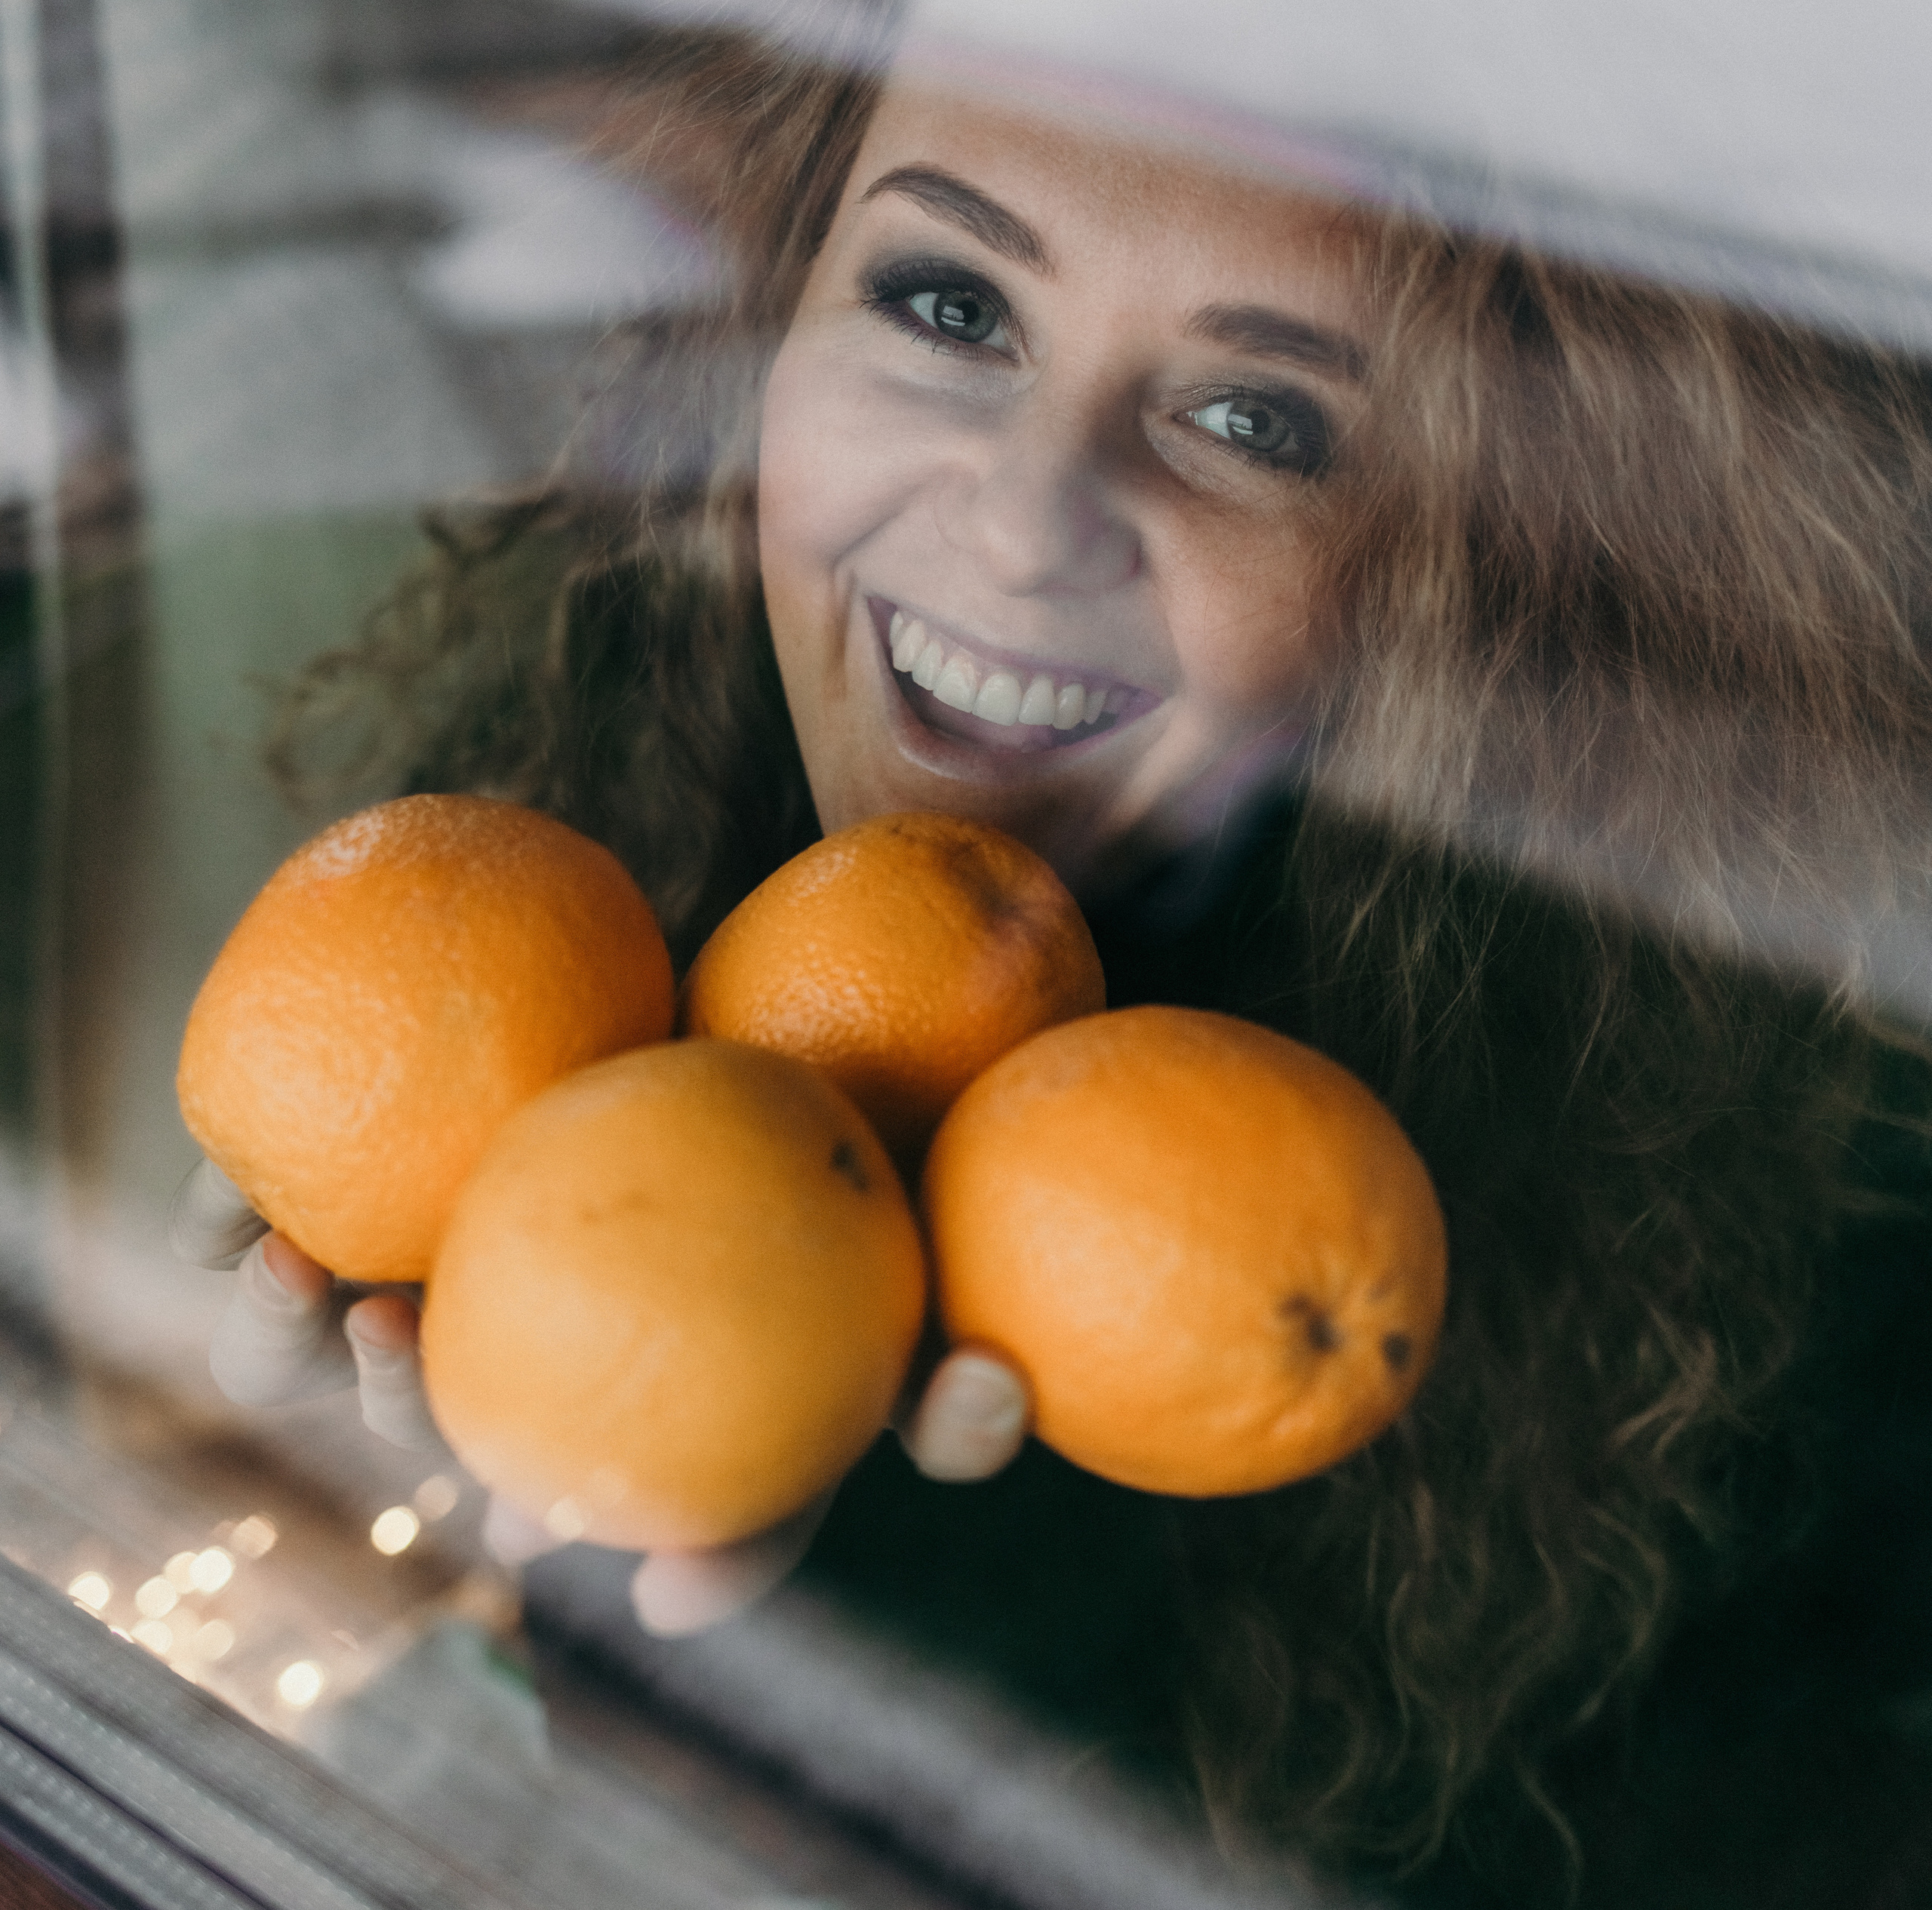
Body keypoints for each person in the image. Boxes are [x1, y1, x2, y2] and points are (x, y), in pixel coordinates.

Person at [169, 18, 1932, 1896]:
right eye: (947, 305)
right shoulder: (600, 809)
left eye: (1254, 420)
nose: (1020, 524)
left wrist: (818, 1657)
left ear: (1480, 571)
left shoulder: (1781, 1309)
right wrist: (431, 1541)